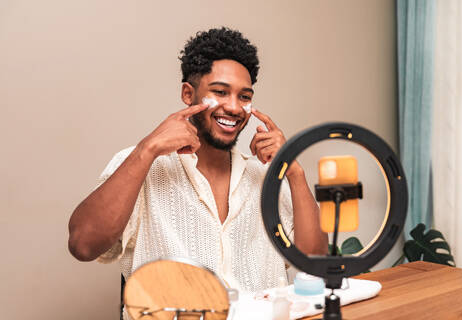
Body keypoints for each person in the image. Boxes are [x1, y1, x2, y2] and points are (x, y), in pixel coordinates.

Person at [68, 27, 328, 296]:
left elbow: (314, 263)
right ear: (188, 94)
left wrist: (293, 170)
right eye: (220, 92)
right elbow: (83, 244)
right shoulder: (143, 165)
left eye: (245, 96)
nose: (234, 107)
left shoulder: (265, 176)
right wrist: (148, 149)